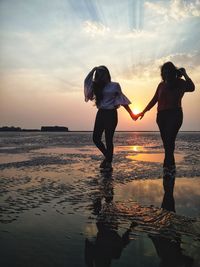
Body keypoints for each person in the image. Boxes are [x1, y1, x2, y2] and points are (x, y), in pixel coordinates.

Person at [138, 62, 195, 176]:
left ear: (173, 71)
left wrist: (185, 74)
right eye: (164, 70)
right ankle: (170, 165)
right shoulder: (161, 85)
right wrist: (143, 111)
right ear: (162, 73)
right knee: (167, 143)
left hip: (175, 114)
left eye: (168, 70)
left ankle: (168, 166)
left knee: (170, 140)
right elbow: (154, 100)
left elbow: (192, 88)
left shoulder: (180, 83)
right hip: (161, 116)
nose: (166, 72)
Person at [84, 65, 137, 171]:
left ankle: (108, 162)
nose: (100, 75)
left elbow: (122, 100)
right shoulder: (96, 86)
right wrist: (93, 70)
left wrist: (131, 113)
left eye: (102, 73)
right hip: (101, 113)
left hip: (111, 114)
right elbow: (87, 82)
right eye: (98, 74)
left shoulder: (115, 85)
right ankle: (108, 158)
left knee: (109, 139)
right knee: (96, 138)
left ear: (107, 74)